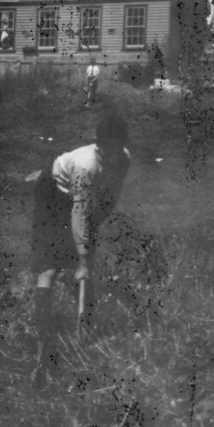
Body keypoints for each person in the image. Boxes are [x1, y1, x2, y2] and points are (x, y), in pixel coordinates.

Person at [30, 115, 131, 334]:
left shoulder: (124, 159)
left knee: (85, 262)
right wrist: (83, 259)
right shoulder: (86, 167)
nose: (113, 155)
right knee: (51, 265)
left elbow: (110, 197)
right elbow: (79, 213)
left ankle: (85, 330)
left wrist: (94, 226)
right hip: (52, 192)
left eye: (117, 148)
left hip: (77, 198)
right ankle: (43, 333)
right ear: (99, 144)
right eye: (108, 149)